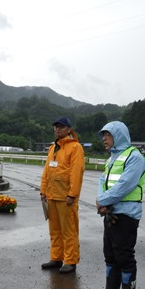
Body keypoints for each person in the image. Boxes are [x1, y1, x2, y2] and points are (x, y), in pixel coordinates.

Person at [91, 121, 145, 289]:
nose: (104, 138)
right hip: (111, 213)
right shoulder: (112, 158)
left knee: (124, 256)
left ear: (119, 135)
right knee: (110, 254)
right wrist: (102, 200)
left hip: (127, 214)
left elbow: (126, 184)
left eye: (107, 134)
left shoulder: (135, 157)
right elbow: (102, 180)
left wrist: (104, 201)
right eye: (103, 135)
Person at [40, 117, 85, 274]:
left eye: (60, 127)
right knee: (55, 230)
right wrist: (43, 190)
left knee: (69, 230)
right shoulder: (53, 148)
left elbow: (76, 173)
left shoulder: (75, 147)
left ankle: (71, 261)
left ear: (68, 129)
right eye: (55, 127)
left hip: (66, 197)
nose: (57, 129)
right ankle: (56, 258)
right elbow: (47, 170)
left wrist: (72, 194)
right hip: (52, 196)